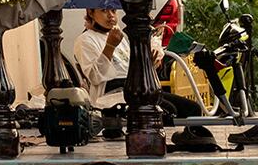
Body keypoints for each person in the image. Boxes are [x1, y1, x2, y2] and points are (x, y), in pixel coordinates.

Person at [69, 7, 200, 116]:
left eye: (113, 11)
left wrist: (150, 64)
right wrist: (110, 46)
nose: (110, 16)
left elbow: (131, 69)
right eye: (104, 11)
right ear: (91, 13)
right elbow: (95, 77)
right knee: (169, 111)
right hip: (111, 94)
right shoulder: (85, 40)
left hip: (135, 88)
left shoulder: (120, 37)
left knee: (192, 108)